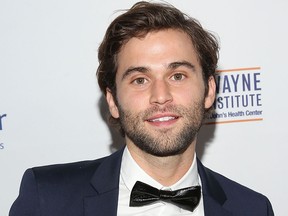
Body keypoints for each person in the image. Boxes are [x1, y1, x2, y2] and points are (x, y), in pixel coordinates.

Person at [9, 1, 274, 215]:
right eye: (140, 80)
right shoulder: (46, 199)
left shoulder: (252, 208)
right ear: (112, 101)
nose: (160, 96)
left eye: (178, 75)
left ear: (209, 91)